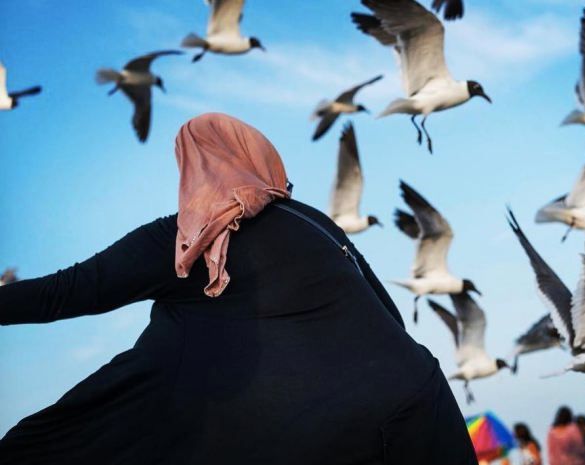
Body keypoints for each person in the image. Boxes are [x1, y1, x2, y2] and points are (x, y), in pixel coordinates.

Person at [0, 113, 478, 465]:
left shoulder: (187, 241)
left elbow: (64, 292)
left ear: (191, 168)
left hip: (340, 436)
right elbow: (386, 317)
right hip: (425, 406)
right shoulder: (313, 221)